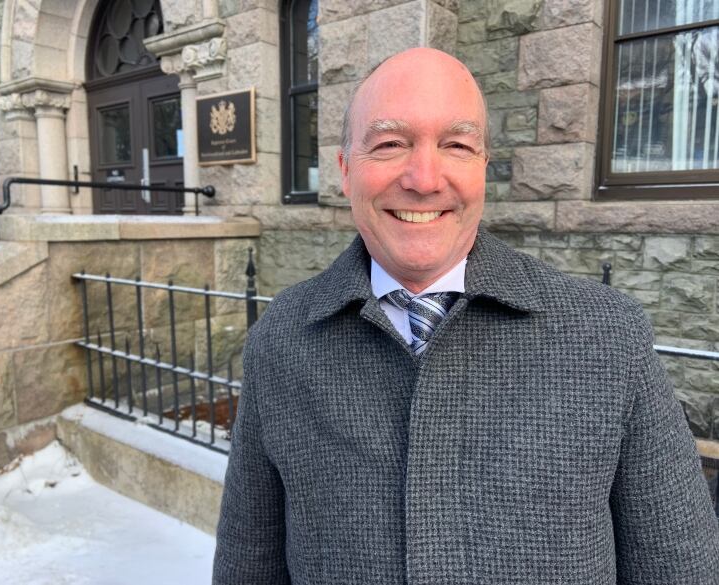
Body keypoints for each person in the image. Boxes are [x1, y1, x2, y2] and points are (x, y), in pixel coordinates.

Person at [213, 48, 719, 584]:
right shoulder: (284, 336)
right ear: (344, 170)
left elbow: (680, 566)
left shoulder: (608, 335)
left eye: (456, 145)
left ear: (482, 166)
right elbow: (249, 561)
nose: (425, 178)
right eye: (389, 144)